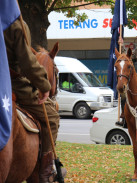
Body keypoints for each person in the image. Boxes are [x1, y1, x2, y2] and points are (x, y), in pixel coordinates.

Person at [4, 18, 66, 182]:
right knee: (52, 117)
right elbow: (27, 61)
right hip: (11, 83)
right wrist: (43, 84)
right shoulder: (13, 22)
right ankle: (46, 172)